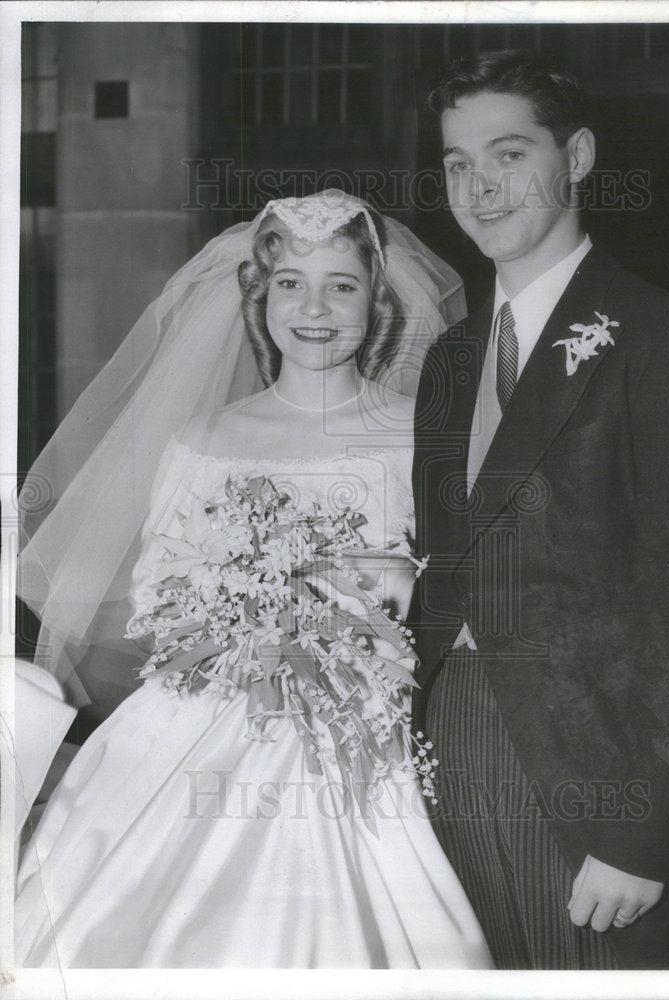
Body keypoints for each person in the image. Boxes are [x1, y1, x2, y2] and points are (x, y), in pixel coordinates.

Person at [15, 190, 493, 969]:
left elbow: (450, 588)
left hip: (364, 725)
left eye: (340, 284)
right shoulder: (207, 438)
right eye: (289, 283)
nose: (314, 307)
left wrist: (343, 630)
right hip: (198, 726)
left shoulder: (421, 433)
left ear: (376, 299)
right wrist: (242, 621)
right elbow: (158, 599)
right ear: (258, 296)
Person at [411, 50, 669, 970]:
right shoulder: (451, 359)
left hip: (597, 778)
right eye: (457, 163)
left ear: (574, 158)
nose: (479, 187)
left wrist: (647, 832)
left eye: (507, 154)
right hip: (441, 753)